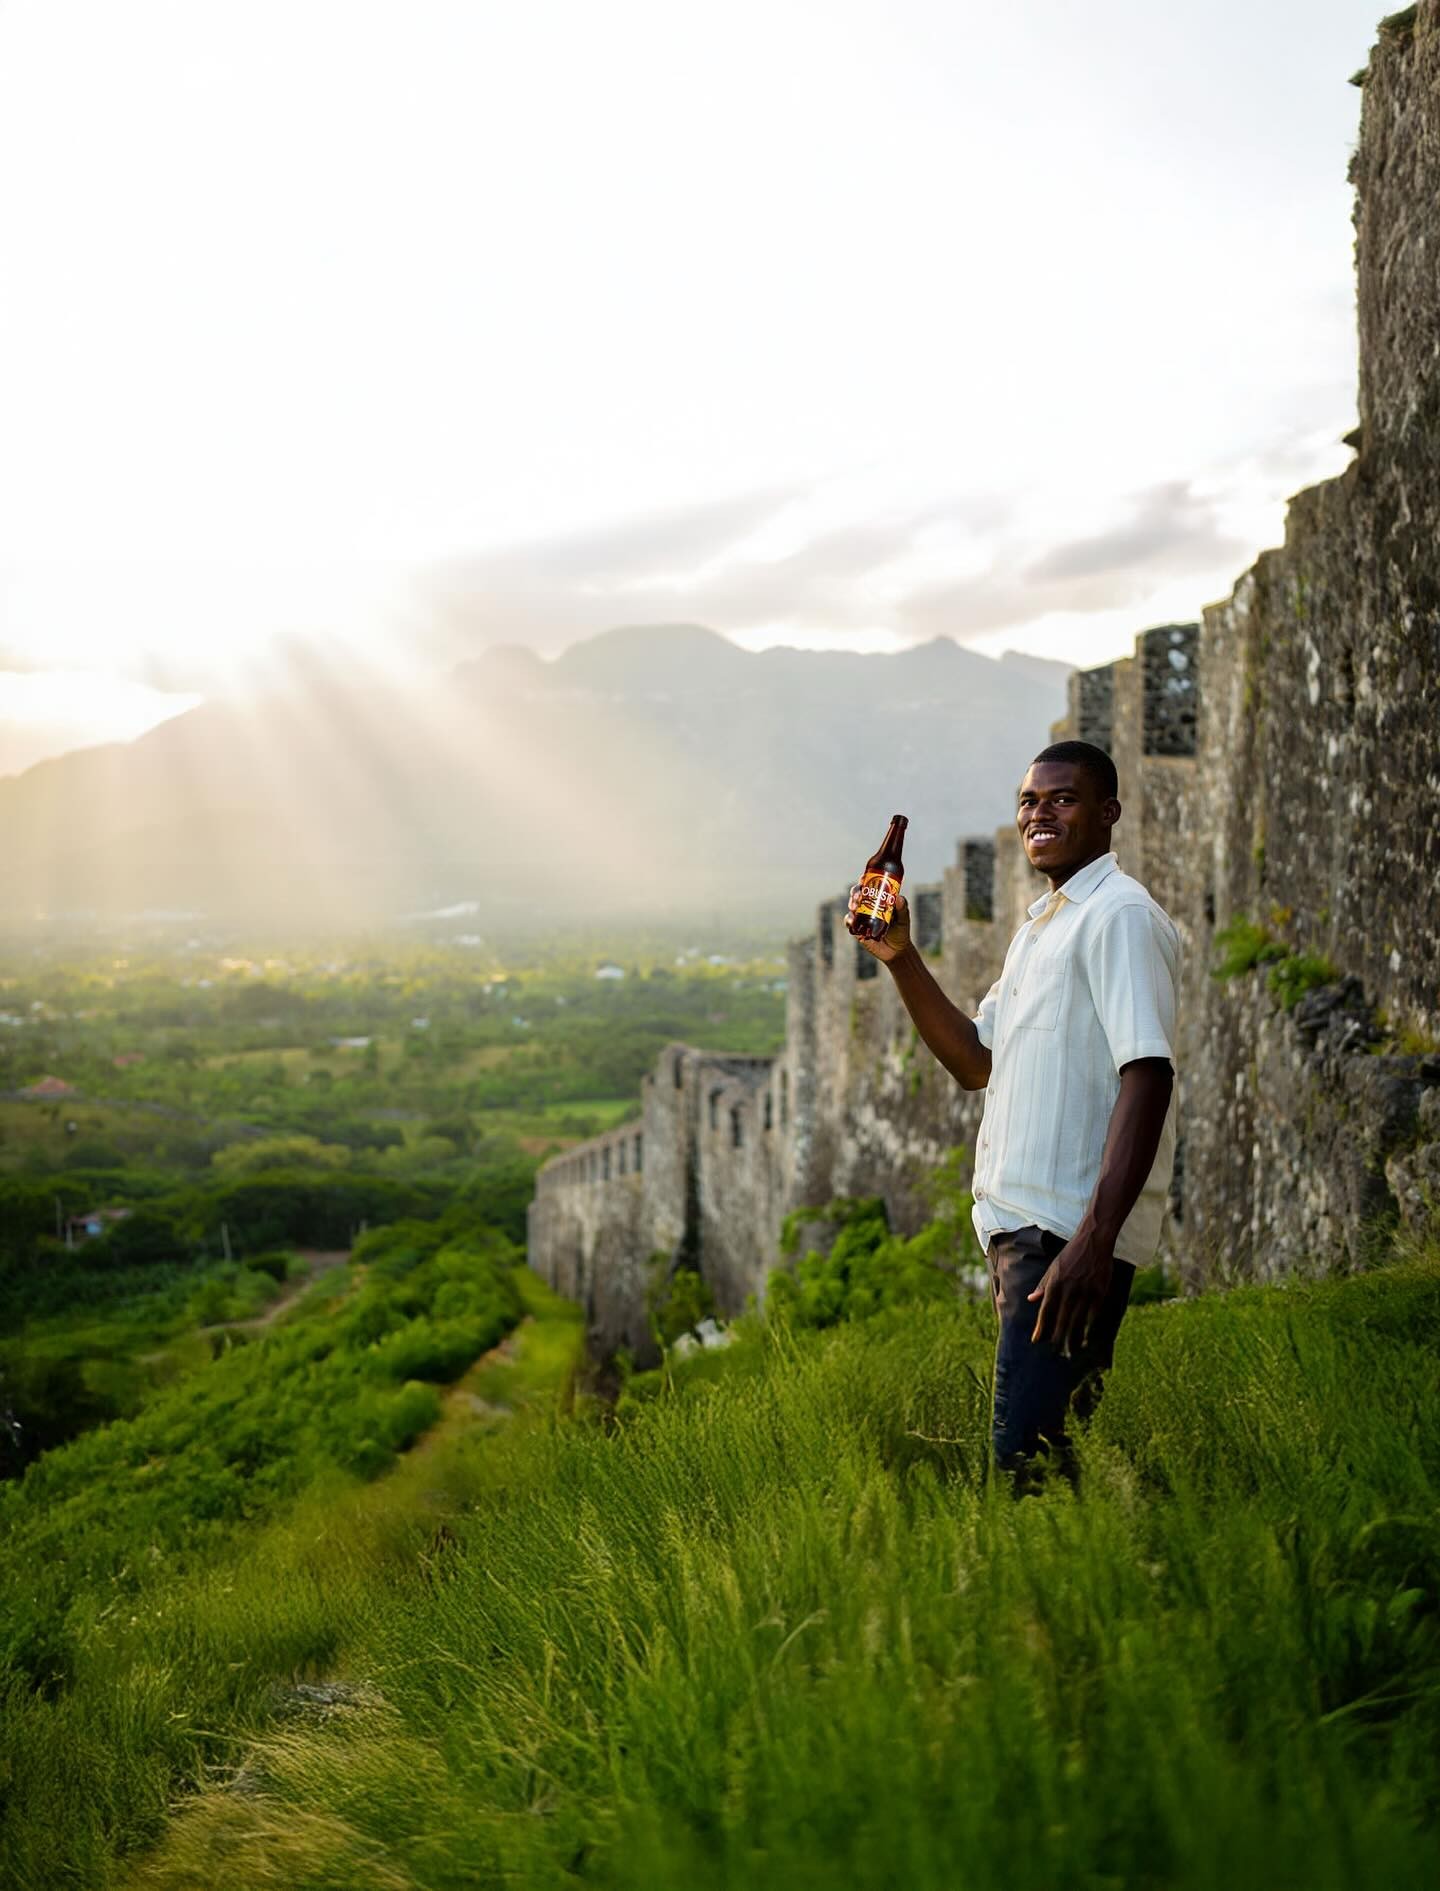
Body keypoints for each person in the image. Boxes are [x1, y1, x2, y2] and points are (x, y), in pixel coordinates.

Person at [846, 740, 1179, 1492]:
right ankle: (1112, 1554)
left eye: (1062, 798)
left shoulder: (1119, 916)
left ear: (1108, 812)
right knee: (1052, 1463)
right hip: (1025, 1236)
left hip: (1064, 1238)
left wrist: (1092, 1243)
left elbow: (1148, 1073)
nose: (1039, 813)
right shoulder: (1040, 932)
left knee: (1025, 1469)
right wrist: (901, 957)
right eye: (1029, 800)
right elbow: (974, 1061)